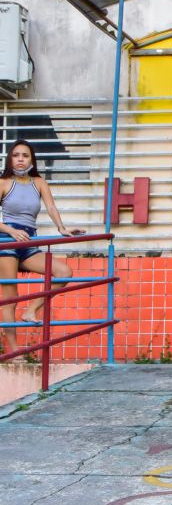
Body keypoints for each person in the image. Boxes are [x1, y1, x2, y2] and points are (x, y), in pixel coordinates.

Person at [0, 140, 82, 355]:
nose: (20, 159)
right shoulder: (3, 183)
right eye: (16, 155)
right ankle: (14, 352)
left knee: (63, 272)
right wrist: (10, 231)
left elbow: (51, 206)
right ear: (10, 159)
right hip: (7, 240)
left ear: (31, 160)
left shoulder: (39, 182)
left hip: (29, 241)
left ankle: (31, 310)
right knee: (10, 298)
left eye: (25, 155)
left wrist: (62, 228)